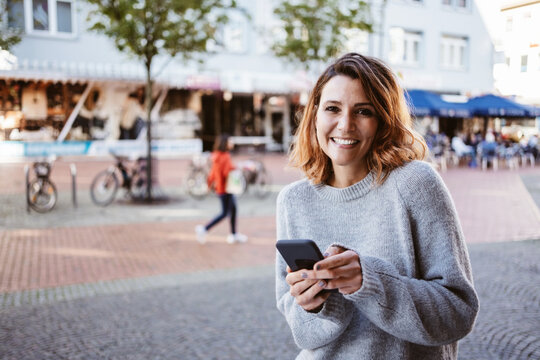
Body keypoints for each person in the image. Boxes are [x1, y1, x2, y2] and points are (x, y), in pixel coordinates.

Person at [275, 53, 478, 359]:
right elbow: (303, 334)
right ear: (314, 115)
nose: (345, 125)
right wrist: (315, 304)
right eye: (332, 108)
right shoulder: (293, 201)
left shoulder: (415, 183)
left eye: (363, 111)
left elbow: (458, 313)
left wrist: (369, 282)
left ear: (383, 120)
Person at [195, 134, 248, 245]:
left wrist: (209, 186)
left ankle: (233, 234)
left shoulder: (216, 156)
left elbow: (212, 173)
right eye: (230, 141)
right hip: (227, 188)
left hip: (221, 188)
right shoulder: (225, 156)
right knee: (224, 213)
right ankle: (204, 229)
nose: (232, 143)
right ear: (225, 143)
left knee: (233, 210)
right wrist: (240, 167)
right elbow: (226, 172)